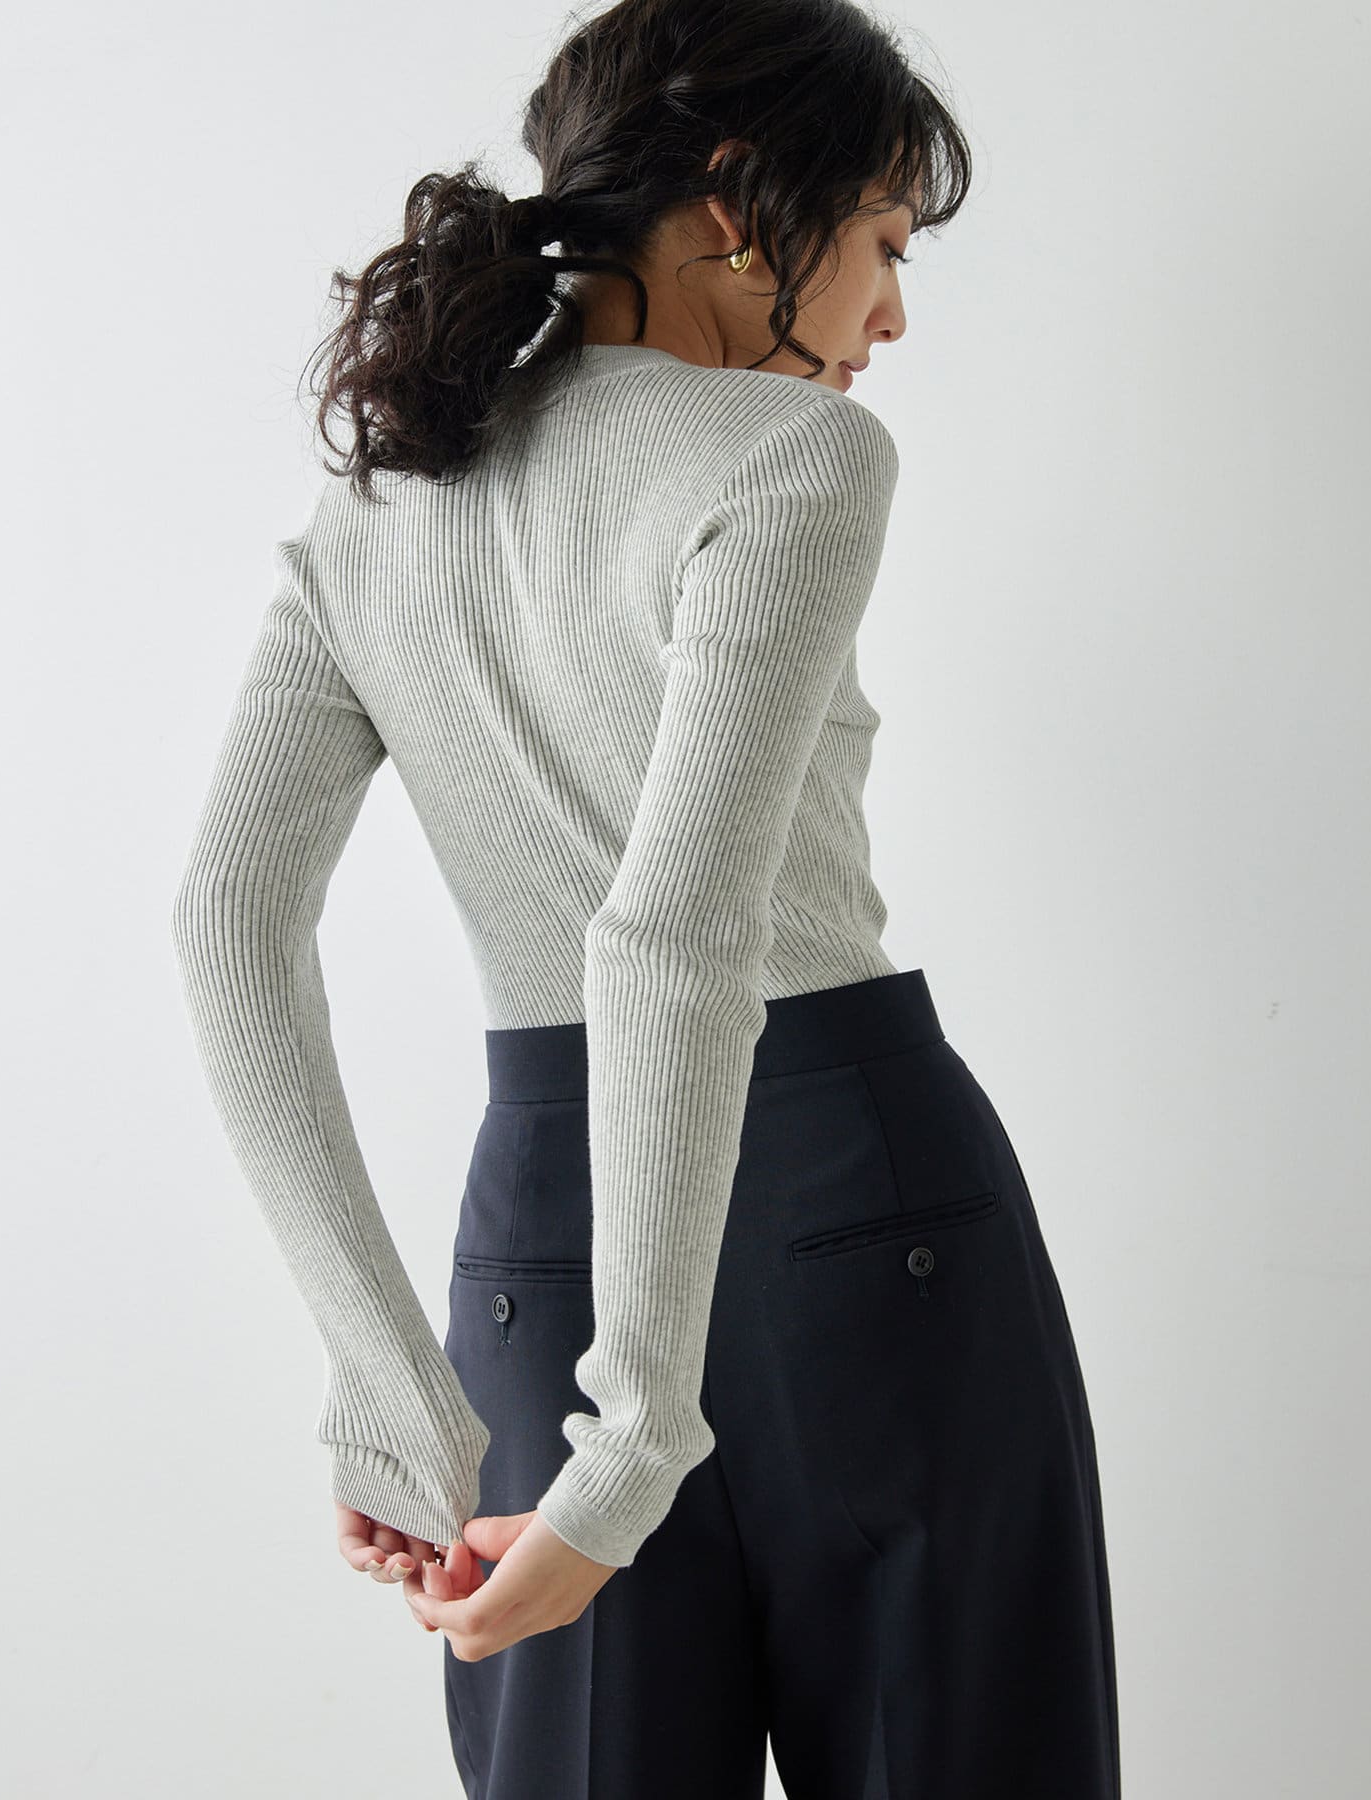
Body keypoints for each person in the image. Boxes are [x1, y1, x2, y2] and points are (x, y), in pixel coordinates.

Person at [170, 2, 1120, 1794]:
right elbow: (673, 940)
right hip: (860, 1213)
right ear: (740, 207)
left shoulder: (377, 515)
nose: (891, 317)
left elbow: (224, 927)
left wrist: (388, 1385)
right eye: (886, 243)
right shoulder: (791, 456)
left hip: (541, 1249)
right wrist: (632, 1452)